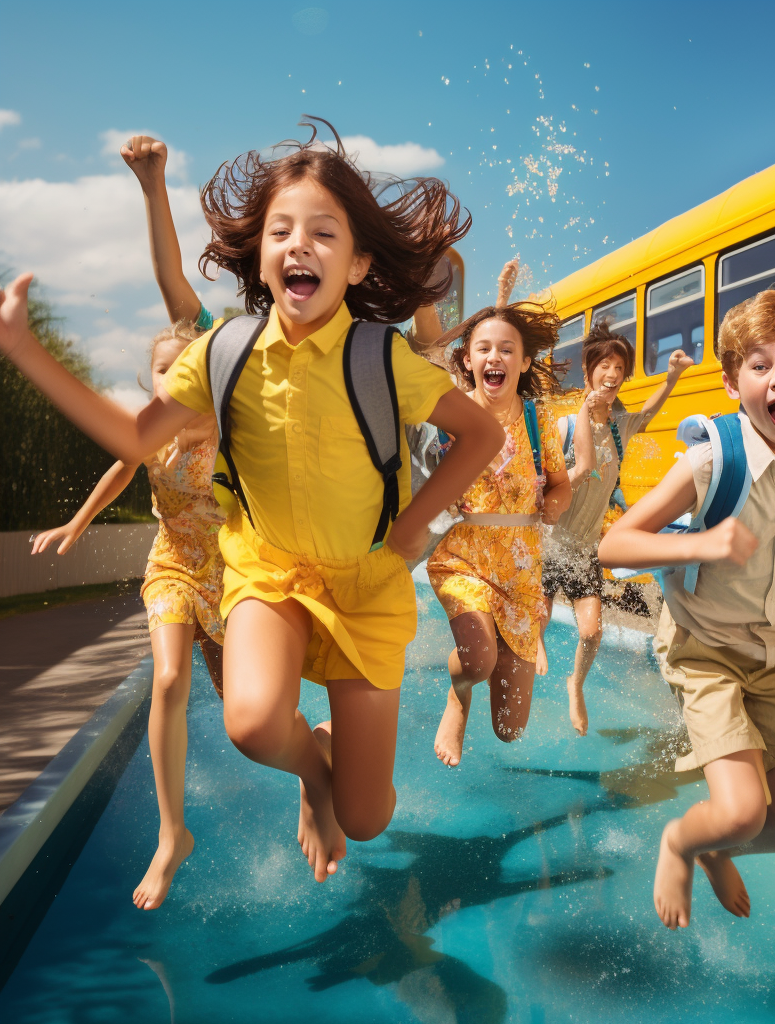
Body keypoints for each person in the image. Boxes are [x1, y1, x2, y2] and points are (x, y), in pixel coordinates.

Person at [0, 118, 505, 885]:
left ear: (360, 262)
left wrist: (409, 529)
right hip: (268, 570)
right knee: (251, 722)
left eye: (324, 233)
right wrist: (29, 355)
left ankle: (334, 761)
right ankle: (311, 771)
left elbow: (479, 438)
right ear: (261, 255)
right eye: (282, 231)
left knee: (368, 818)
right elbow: (135, 438)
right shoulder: (223, 352)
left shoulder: (381, 358)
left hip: (366, 585)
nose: (299, 245)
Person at [598, 289, 775, 930]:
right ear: (730, 383)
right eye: (760, 365)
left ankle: (719, 848)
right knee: (745, 807)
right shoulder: (712, 459)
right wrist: (702, 541)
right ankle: (683, 843)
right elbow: (613, 545)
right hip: (709, 651)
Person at [32, 324, 224, 910]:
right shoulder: (152, 430)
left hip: (230, 574)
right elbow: (121, 468)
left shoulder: (226, 425)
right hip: (170, 564)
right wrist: (77, 523)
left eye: (184, 366)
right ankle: (173, 835)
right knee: (167, 680)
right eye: (163, 369)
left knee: (248, 715)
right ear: (154, 378)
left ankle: (311, 763)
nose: (171, 377)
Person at [428, 302, 572, 767]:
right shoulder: (451, 415)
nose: (496, 357)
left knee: (510, 729)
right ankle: (459, 695)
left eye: (507, 349)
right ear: (467, 360)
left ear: (524, 361)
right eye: (483, 348)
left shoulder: (537, 420)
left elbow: (560, 483)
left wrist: (553, 503)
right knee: (478, 661)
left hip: (522, 574)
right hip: (464, 558)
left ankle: (480, 673)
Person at [538, 321, 693, 735]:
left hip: (586, 548)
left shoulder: (620, 430)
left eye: (618, 368)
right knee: (535, 622)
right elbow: (545, 486)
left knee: (591, 632)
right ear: (589, 373)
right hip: (550, 546)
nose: (611, 373)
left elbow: (649, 411)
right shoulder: (566, 426)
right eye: (603, 365)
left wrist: (672, 377)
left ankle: (576, 685)